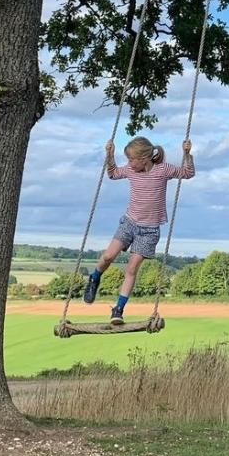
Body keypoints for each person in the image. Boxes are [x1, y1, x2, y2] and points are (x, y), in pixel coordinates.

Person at [83, 135, 194, 324]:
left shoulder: (163, 170)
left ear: (144, 159)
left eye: (131, 159)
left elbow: (187, 173)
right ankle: (95, 277)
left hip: (150, 231)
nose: (129, 163)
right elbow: (113, 173)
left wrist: (187, 154)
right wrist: (110, 155)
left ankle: (118, 310)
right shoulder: (131, 170)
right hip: (130, 223)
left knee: (132, 268)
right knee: (109, 256)